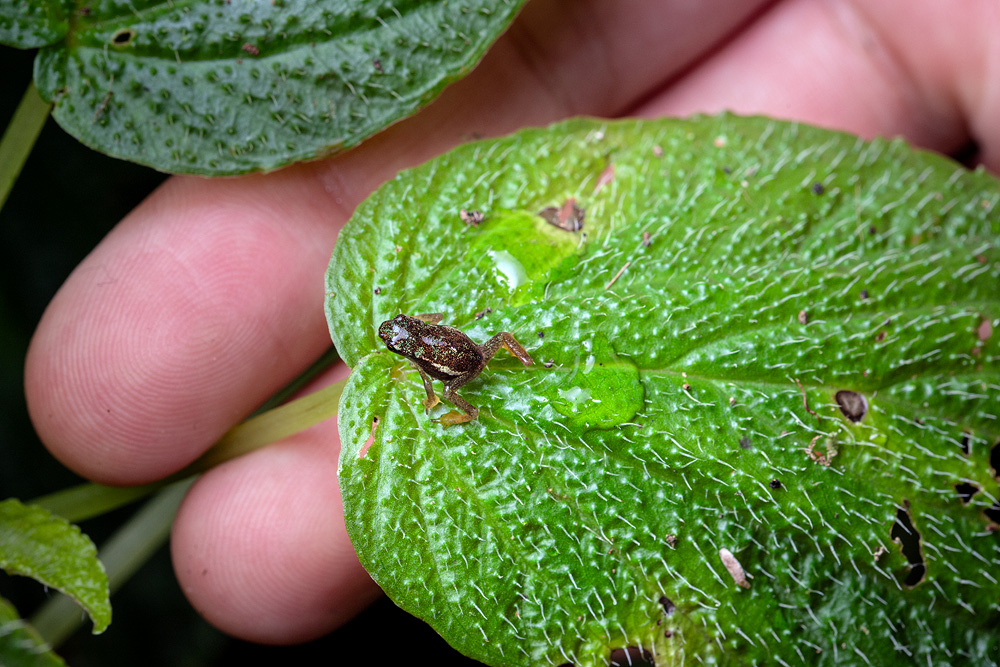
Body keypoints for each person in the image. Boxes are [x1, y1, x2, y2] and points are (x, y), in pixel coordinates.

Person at [23, 0, 1000, 645]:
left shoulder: (420, 340)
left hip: (465, 351)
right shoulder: (415, 342)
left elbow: (432, 347)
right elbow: (426, 347)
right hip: (460, 353)